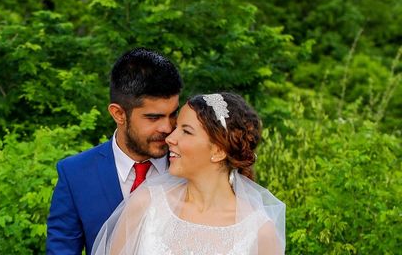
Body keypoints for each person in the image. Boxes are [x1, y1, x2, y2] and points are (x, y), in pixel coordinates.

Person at [92, 92, 286, 255]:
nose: (170, 138)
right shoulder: (147, 204)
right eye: (176, 128)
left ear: (218, 151)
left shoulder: (259, 232)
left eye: (186, 131)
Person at [46, 48, 183, 255]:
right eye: (153, 118)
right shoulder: (75, 174)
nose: (167, 127)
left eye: (173, 114)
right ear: (118, 114)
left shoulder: (192, 166)